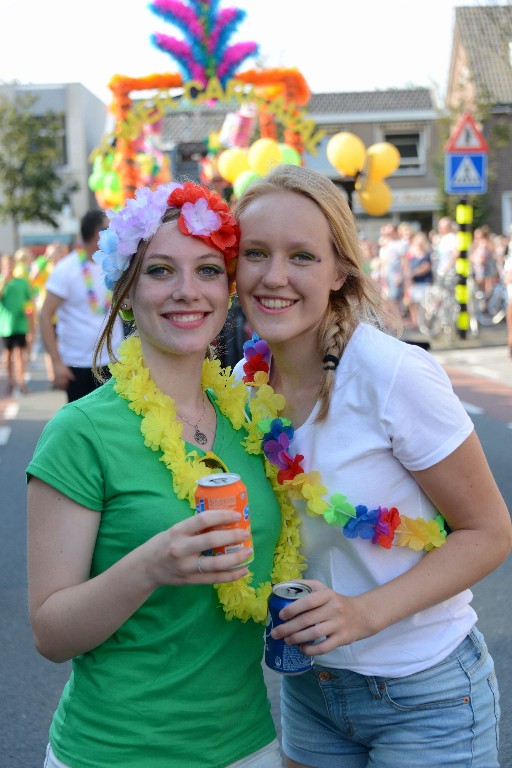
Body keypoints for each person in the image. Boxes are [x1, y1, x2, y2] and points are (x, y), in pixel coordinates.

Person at [232, 165, 512, 768]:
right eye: (255, 253)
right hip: (310, 690)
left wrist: (364, 613)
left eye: (302, 256)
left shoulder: (393, 375)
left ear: (339, 272)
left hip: (426, 696)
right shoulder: (243, 386)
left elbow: (489, 533)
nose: (273, 276)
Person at [26, 181, 287, 768]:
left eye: (208, 271)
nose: (187, 292)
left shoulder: (252, 418)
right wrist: (152, 566)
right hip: (114, 752)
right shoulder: (80, 432)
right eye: (161, 271)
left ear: (228, 292)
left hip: (247, 746)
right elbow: (50, 632)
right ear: (125, 293)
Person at [38, 210, 124, 402]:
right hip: (78, 367)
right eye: (110, 229)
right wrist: (57, 363)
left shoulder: (115, 266)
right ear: (98, 234)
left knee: (110, 426)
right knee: (81, 429)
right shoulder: (66, 270)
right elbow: (44, 316)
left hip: (113, 362)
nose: (116, 234)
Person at [0, 252, 33, 395]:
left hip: (20, 323)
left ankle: (21, 382)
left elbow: (29, 301)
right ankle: (10, 381)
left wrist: (30, 317)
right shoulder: (1, 281)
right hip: (6, 325)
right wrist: (4, 282)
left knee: (20, 354)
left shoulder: (22, 282)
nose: (9, 267)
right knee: (7, 355)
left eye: (11, 264)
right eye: (6, 265)